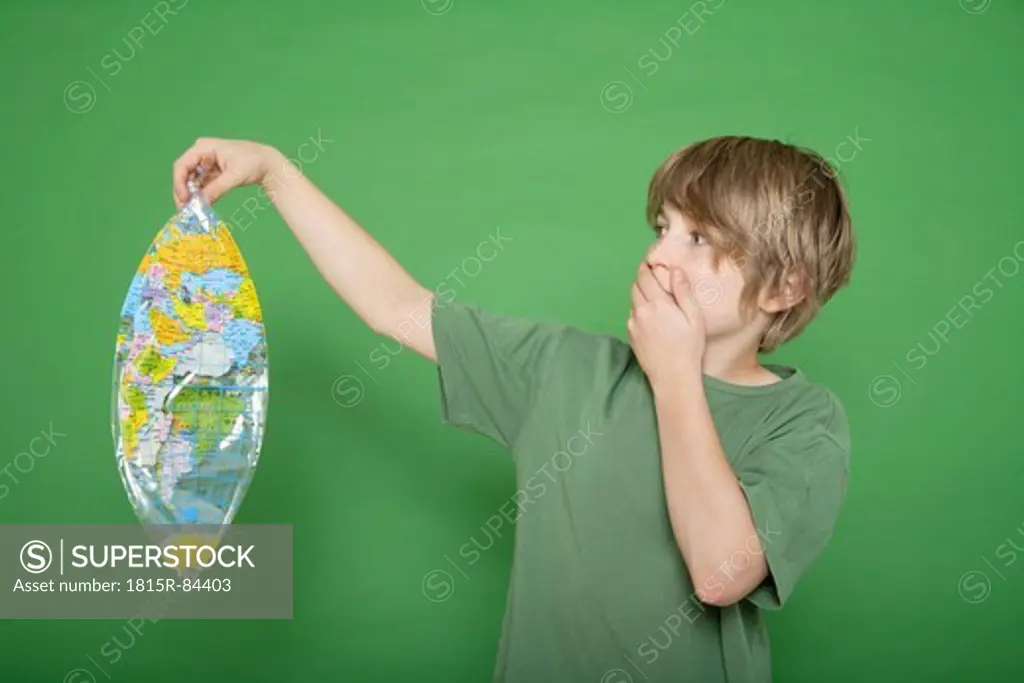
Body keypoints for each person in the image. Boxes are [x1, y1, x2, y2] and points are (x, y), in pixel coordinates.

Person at [172, 134, 855, 683]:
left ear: (784, 286)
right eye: (661, 227)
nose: (657, 255)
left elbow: (721, 571)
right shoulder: (565, 368)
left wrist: (675, 372)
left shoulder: (804, 422)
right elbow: (396, 306)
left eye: (698, 238)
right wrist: (275, 173)